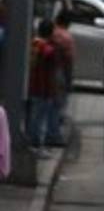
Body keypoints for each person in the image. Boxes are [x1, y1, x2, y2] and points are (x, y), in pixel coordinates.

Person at [27, 19, 60, 155]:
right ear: (51, 32)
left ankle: (32, 143)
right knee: (41, 119)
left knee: (33, 117)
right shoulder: (49, 50)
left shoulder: (33, 44)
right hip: (44, 89)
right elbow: (50, 73)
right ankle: (37, 146)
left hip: (32, 86)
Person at [47, 9, 74, 147]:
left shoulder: (51, 32)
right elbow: (69, 61)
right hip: (60, 72)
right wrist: (69, 80)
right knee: (57, 106)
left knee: (47, 105)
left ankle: (47, 133)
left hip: (46, 72)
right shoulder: (66, 37)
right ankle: (54, 135)